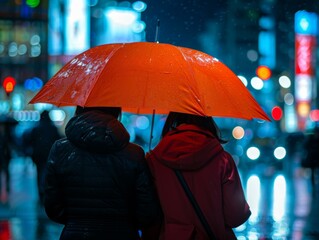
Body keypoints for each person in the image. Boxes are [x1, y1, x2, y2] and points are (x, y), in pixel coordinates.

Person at [43, 106, 161, 240]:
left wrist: (77, 222)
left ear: (79, 109)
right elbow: (146, 212)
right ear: (116, 111)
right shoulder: (134, 154)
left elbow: (52, 206)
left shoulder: (60, 150)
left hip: (76, 234)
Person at [146, 112, 251, 239]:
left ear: (173, 118)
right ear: (208, 120)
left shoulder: (154, 160)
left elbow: (149, 214)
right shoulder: (223, 161)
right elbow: (236, 216)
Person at [23, 110, 61, 205]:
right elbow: (58, 141)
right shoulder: (53, 128)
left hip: (38, 156)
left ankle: (41, 194)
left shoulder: (36, 128)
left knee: (39, 174)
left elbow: (30, 141)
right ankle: (48, 192)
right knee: (49, 174)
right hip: (50, 155)